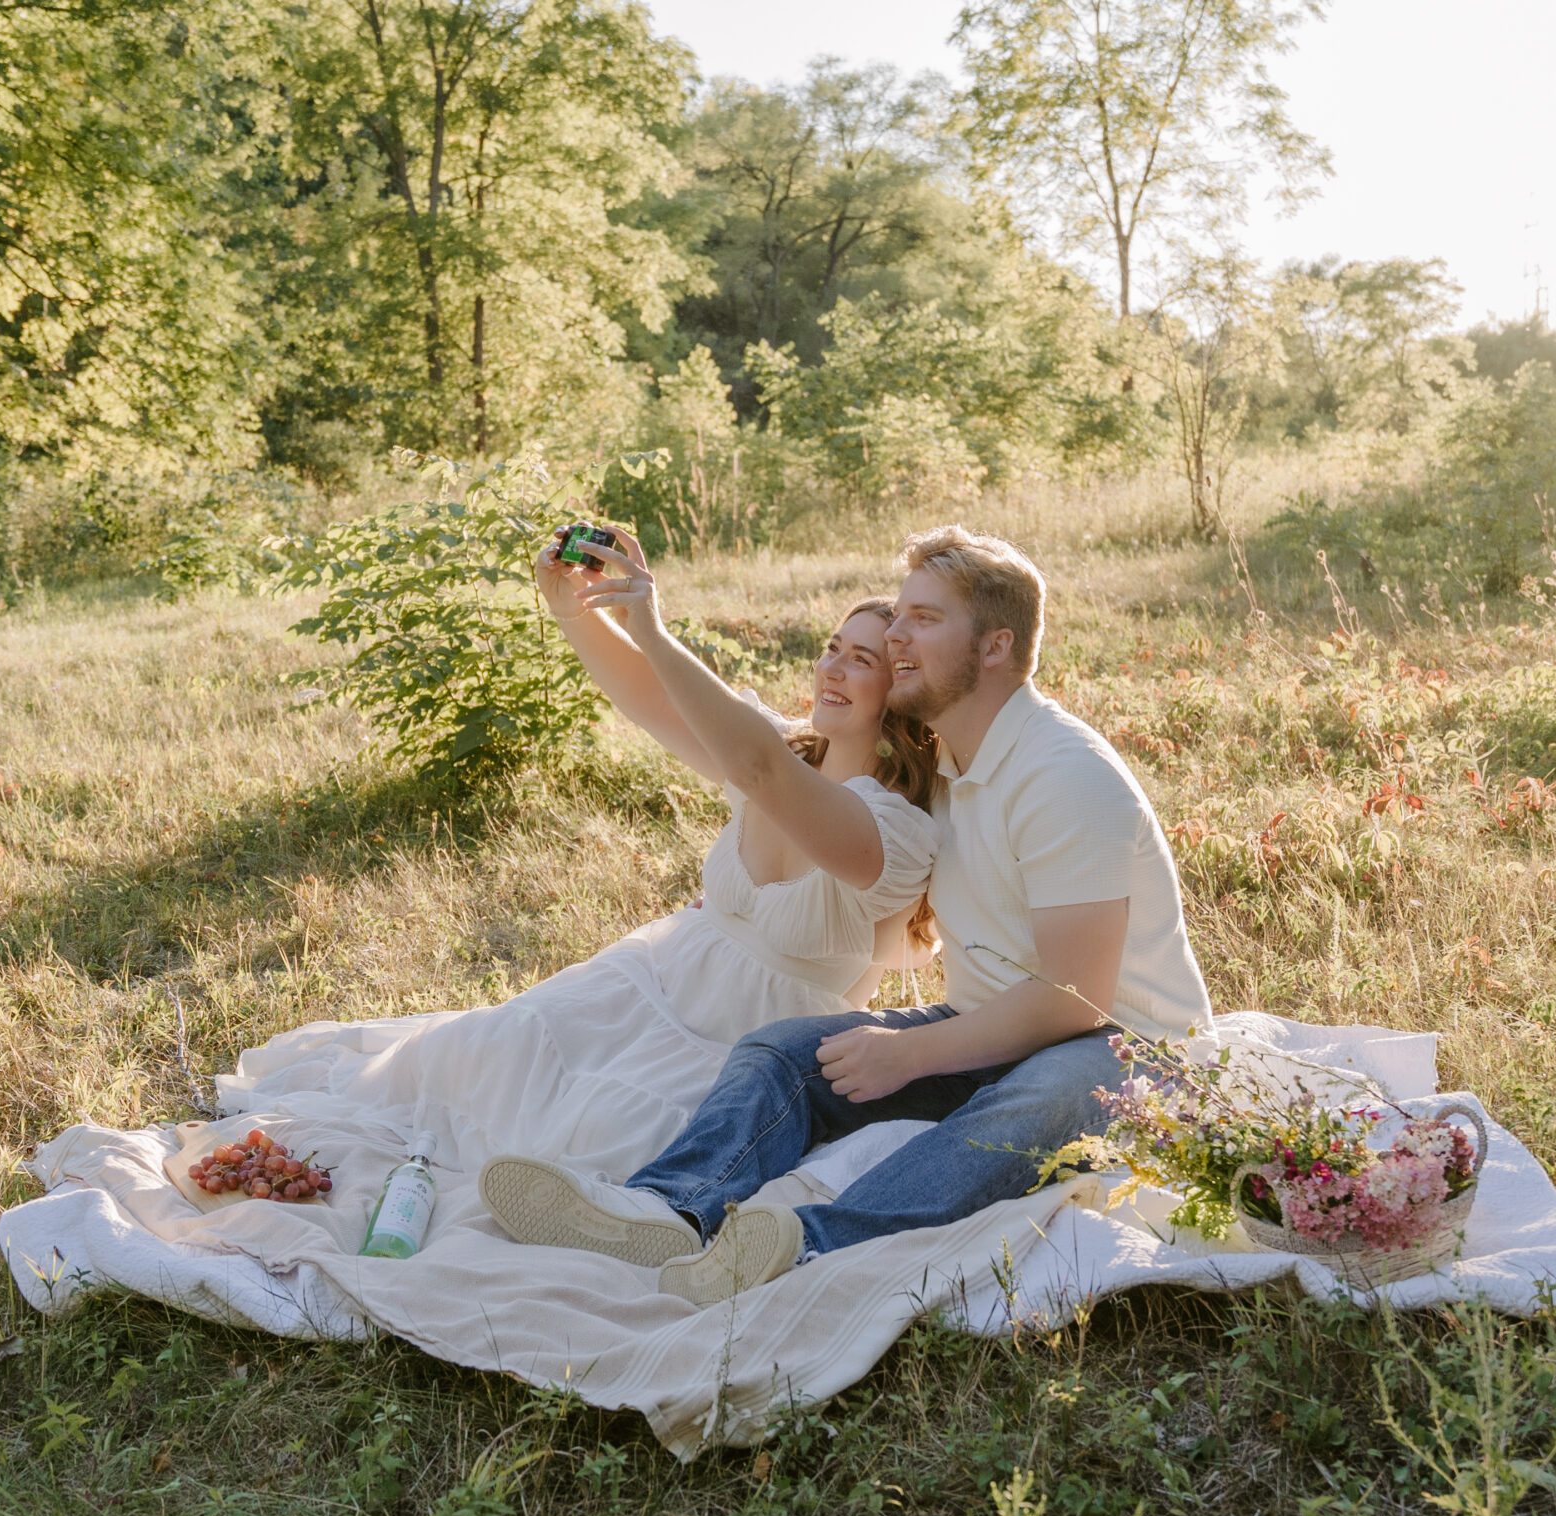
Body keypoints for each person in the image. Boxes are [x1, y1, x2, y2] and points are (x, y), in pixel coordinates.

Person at [481, 525, 1214, 1304]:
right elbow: (740, 746)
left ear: (996, 646)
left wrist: (912, 1052)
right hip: (994, 1025)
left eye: (923, 619)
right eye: (898, 618)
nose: (897, 636)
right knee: (784, 1051)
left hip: (1130, 1049)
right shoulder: (946, 767)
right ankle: (666, 1208)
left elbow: (1077, 998)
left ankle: (811, 1246)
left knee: (1035, 1100)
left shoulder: (1064, 774)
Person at [209, 525, 940, 1224]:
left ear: (901, 692)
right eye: (832, 647)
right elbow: (655, 701)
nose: (831, 668)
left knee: (603, 1135)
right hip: (658, 977)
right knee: (485, 1052)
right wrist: (574, 608)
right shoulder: (787, 748)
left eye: (861, 660)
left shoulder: (891, 827)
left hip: (743, 1048)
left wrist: (651, 625)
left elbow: (760, 770)